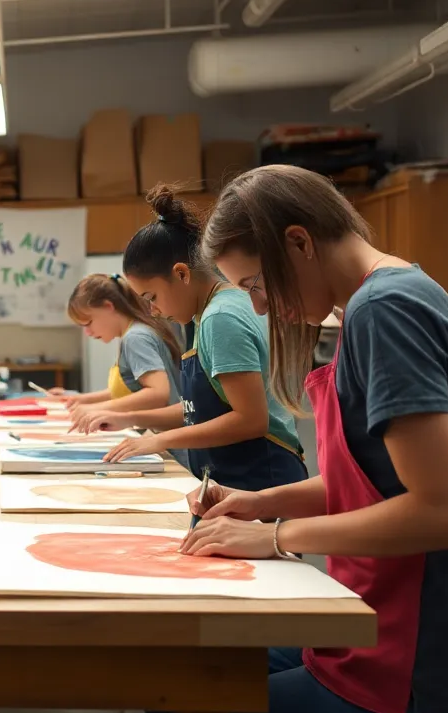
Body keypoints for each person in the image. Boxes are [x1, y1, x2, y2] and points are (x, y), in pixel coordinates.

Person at [133, 164, 448, 713]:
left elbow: (447, 511)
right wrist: (259, 500)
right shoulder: (385, 296)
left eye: (255, 282)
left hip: (421, 675)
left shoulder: (387, 312)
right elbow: (376, 482)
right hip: (382, 636)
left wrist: (274, 537)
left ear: (298, 242)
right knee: (191, 668)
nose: (261, 304)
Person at [76, 186, 308, 494]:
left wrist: (159, 440)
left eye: (152, 297)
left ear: (182, 274)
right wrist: (129, 418)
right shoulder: (210, 312)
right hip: (239, 476)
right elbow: (198, 410)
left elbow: (251, 420)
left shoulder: (220, 317)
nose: (153, 310)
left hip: (261, 477)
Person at [62, 273, 183, 417]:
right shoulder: (134, 333)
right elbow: (128, 390)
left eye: (88, 323)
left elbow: (159, 393)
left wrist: (97, 409)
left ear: (108, 306)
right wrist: (81, 400)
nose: (87, 332)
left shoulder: (135, 337)